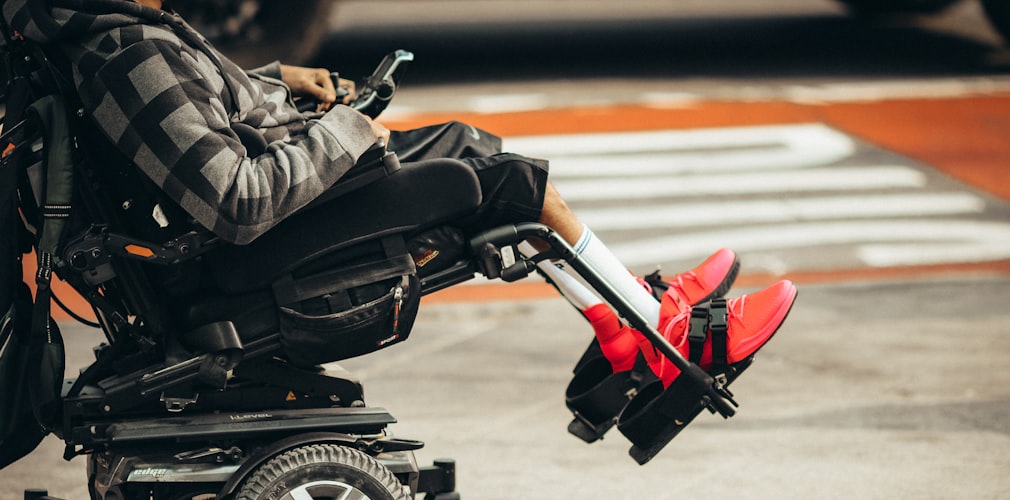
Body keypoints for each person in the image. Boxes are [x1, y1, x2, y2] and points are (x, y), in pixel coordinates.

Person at [2, 0, 796, 388]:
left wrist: (273, 83)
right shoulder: (125, 48)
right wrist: (345, 131)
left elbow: (191, 115)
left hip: (245, 231)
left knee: (469, 147)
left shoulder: (110, 29)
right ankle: (663, 337)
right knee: (497, 178)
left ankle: (631, 319)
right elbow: (235, 199)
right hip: (248, 256)